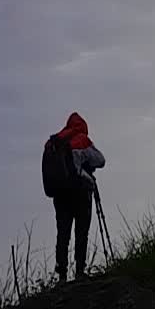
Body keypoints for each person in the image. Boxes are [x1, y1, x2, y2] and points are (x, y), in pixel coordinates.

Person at [50, 112, 106, 283]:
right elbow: (101, 160)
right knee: (81, 232)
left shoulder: (55, 142)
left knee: (63, 234)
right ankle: (79, 272)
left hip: (60, 195)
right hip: (81, 192)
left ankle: (62, 275)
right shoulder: (82, 139)